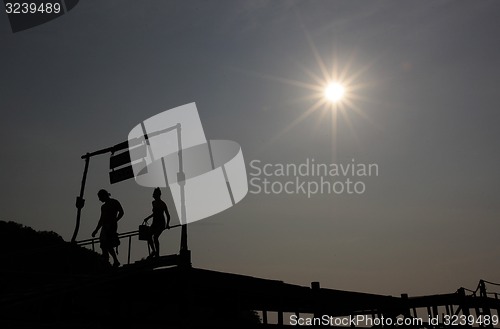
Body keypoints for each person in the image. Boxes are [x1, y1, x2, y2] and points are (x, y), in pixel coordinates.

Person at [92, 189, 124, 267]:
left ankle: (114, 260)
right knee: (103, 244)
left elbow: (121, 212)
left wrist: (115, 220)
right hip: (105, 227)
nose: (99, 199)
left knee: (108, 244)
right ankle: (107, 260)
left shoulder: (114, 202)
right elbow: (101, 219)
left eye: (100, 197)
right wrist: (96, 230)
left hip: (111, 226)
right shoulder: (103, 207)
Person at [143, 187, 170, 258]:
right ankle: (154, 251)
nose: (154, 196)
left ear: (158, 195)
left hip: (161, 223)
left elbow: (168, 215)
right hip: (155, 223)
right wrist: (147, 218)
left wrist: (167, 224)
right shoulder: (153, 203)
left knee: (155, 237)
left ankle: (157, 253)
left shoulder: (162, 204)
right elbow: (155, 213)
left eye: (155, 194)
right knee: (149, 236)